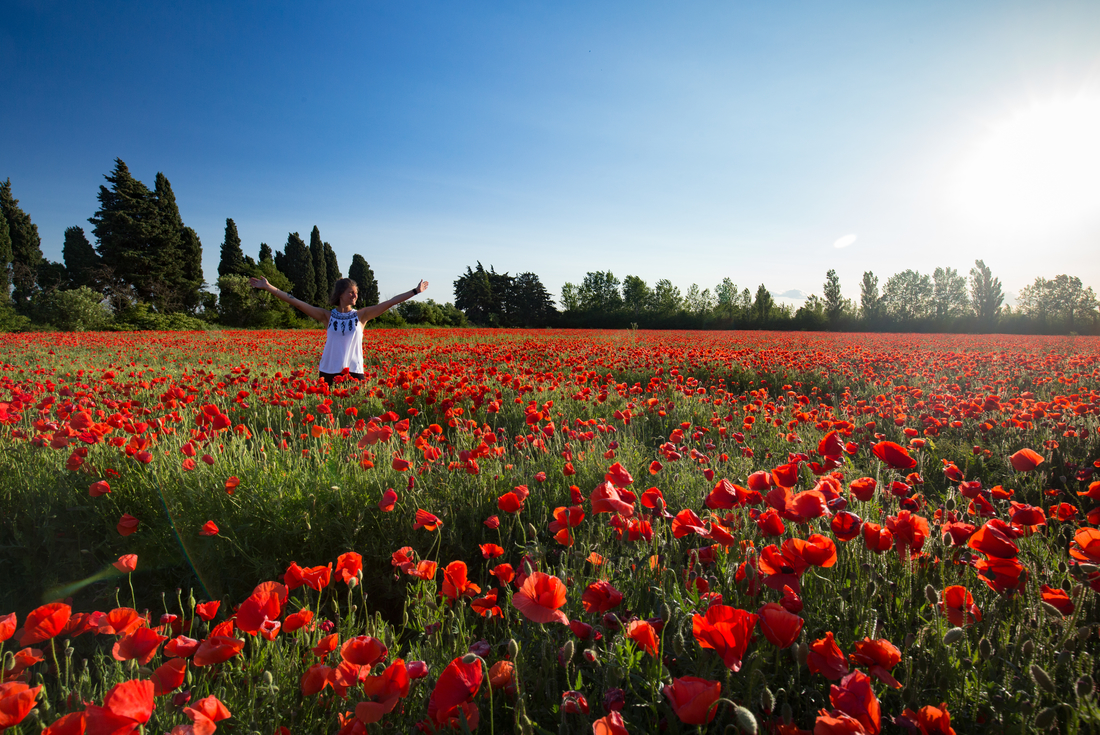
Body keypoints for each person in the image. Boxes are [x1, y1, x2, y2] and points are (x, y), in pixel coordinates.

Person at [249, 275, 428, 385]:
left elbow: (389, 302)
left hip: (354, 371)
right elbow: (297, 302)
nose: (355, 295)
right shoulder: (327, 316)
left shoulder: (362, 316)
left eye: (356, 292)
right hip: (328, 371)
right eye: (351, 292)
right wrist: (269, 287)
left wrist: (415, 291)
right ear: (340, 295)